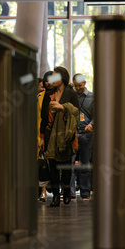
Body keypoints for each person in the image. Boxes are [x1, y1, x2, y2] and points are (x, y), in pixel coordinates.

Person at [39, 66, 80, 207]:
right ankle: (56, 196)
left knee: (66, 166)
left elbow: (76, 113)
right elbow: (44, 117)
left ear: (62, 78)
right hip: (50, 134)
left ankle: (66, 190)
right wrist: (42, 137)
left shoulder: (71, 93)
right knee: (53, 167)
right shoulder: (49, 94)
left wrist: (63, 107)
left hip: (66, 135)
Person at [71, 73, 94, 201]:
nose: (77, 88)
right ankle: (71, 192)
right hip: (73, 134)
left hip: (87, 134)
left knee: (85, 164)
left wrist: (91, 125)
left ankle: (85, 192)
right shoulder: (72, 96)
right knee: (71, 163)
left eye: (79, 86)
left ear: (85, 83)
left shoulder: (93, 97)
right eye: (75, 86)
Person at [37, 71, 53, 202]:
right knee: (41, 162)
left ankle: (50, 190)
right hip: (40, 132)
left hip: (53, 133)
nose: (48, 83)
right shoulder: (39, 97)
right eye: (46, 81)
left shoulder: (56, 95)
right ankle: (42, 191)